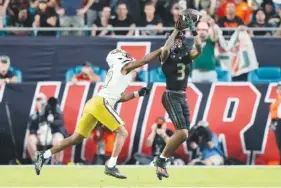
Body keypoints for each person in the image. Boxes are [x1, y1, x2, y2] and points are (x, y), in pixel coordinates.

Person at [34, 43, 164, 178]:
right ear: (119, 58)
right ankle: (111, 165)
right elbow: (145, 60)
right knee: (123, 132)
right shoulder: (123, 67)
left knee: (75, 138)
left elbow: (119, 98)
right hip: (100, 103)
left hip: (94, 103)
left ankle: (44, 155)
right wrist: (161, 49)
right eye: (125, 55)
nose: (128, 56)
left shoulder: (118, 73)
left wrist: (137, 94)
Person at [153, 13, 202, 180]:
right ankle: (160, 160)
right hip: (170, 95)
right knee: (182, 133)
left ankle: (162, 159)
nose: (181, 41)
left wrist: (194, 31)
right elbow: (165, 49)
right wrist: (175, 30)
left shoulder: (185, 56)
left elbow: (200, 49)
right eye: (178, 39)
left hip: (182, 95)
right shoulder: (166, 56)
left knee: (184, 134)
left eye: (182, 38)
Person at [27, 93, 67, 164]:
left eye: (41, 99)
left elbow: (60, 123)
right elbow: (31, 129)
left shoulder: (55, 110)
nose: (40, 101)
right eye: (38, 99)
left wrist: (51, 121)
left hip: (53, 134)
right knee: (30, 140)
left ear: (45, 101)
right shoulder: (34, 115)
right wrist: (37, 132)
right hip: (40, 136)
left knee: (58, 140)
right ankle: (36, 162)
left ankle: (58, 163)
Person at [270, 82, 281, 165]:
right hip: (277, 121)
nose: (279, 90)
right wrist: (273, 122)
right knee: (279, 142)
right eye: (278, 88)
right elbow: (273, 112)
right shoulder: (275, 100)